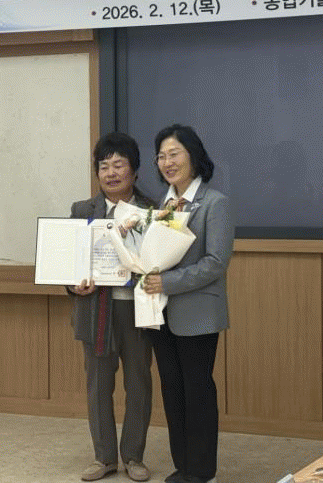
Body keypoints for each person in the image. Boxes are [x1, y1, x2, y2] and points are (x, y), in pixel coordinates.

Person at [142, 124, 232, 483]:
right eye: (161, 156)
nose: (167, 162)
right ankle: (184, 466)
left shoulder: (215, 203)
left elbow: (215, 263)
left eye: (174, 154)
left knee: (197, 390)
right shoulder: (161, 206)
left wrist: (168, 281)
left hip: (198, 313)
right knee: (172, 389)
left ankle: (202, 471)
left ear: (193, 156)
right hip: (159, 312)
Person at [69, 132, 154, 482]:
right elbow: (69, 263)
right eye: (104, 166)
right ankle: (104, 458)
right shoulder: (82, 211)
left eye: (119, 164)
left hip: (138, 312)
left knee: (138, 384)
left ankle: (133, 456)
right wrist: (74, 285)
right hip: (96, 312)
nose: (111, 173)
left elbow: (163, 260)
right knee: (98, 386)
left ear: (134, 170)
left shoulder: (152, 211)